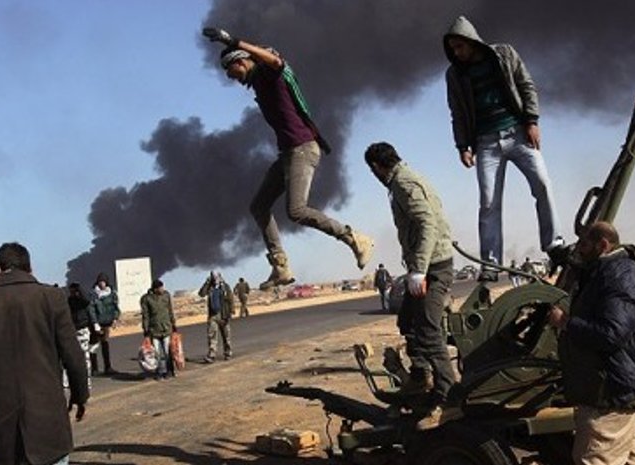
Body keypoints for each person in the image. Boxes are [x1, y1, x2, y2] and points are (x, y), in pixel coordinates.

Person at [202, 27, 374, 290]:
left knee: (296, 211)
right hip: (288, 154)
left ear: (241, 61)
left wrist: (234, 41)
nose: (230, 77)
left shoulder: (268, 74)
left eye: (230, 70)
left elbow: (275, 61)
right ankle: (280, 265)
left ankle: (353, 238)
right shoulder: (259, 83)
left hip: (303, 149)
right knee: (259, 206)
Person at [443, 15, 568, 281]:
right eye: (452, 49)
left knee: (542, 184)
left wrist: (532, 121)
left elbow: (526, 85)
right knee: (489, 202)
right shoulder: (454, 75)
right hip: (485, 143)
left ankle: (555, 246)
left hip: (518, 133)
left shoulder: (504, 54)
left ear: (471, 40)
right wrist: (462, 146)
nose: (456, 53)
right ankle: (490, 264)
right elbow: (457, 113)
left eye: (459, 47)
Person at [0, 242, 88, 465]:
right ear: (30, 268)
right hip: (48, 431)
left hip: (3, 436)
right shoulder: (52, 298)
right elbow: (74, 357)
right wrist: (80, 396)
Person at [364, 142, 460, 430]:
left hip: (434, 267)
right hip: (428, 265)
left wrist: (418, 270)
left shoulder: (404, 184)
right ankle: (420, 377)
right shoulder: (404, 180)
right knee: (407, 319)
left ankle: (450, 399)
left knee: (429, 331)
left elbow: (427, 223)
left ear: (377, 167)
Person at [547, 222, 635, 465]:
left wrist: (565, 322)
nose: (578, 250)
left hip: (610, 393)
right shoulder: (606, 272)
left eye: (584, 244)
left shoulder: (621, 276)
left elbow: (611, 334)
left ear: (603, 245)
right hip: (611, 387)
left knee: (594, 458)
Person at [141, 279, 178, 380]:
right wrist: (146, 329)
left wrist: (173, 324)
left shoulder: (166, 295)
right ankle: (159, 372)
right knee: (156, 353)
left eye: (162, 287)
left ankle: (170, 370)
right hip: (154, 330)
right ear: (155, 289)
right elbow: (145, 315)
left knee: (167, 351)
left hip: (166, 328)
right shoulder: (147, 299)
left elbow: (170, 310)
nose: (162, 289)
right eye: (160, 287)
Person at [89, 271, 120, 376]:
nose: (102, 284)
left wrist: (115, 319)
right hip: (97, 324)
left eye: (103, 281)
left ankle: (108, 367)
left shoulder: (111, 293)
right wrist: (95, 323)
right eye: (100, 282)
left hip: (106, 323)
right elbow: (91, 309)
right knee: (94, 346)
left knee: (105, 344)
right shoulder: (93, 294)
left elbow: (115, 308)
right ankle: (94, 369)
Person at [199, 271, 234, 362]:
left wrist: (231, 312)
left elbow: (230, 299)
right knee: (212, 336)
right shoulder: (210, 287)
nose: (215, 279)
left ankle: (228, 353)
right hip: (213, 316)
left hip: (223, 314)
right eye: (213, 277)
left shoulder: (225, 287)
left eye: (216, 276)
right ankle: (212, 355)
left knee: (226, 336)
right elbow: (201, 294)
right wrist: (206, 283)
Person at [66, 282, 96, 389]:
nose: (73, 293)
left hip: (83, 330)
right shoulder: (69, 302)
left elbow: (90, 312)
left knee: (84, 357)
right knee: (72, 357)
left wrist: (95, 325)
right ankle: (72, 381)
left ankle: (87, 381)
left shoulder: (84, 301)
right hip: (73, 330)